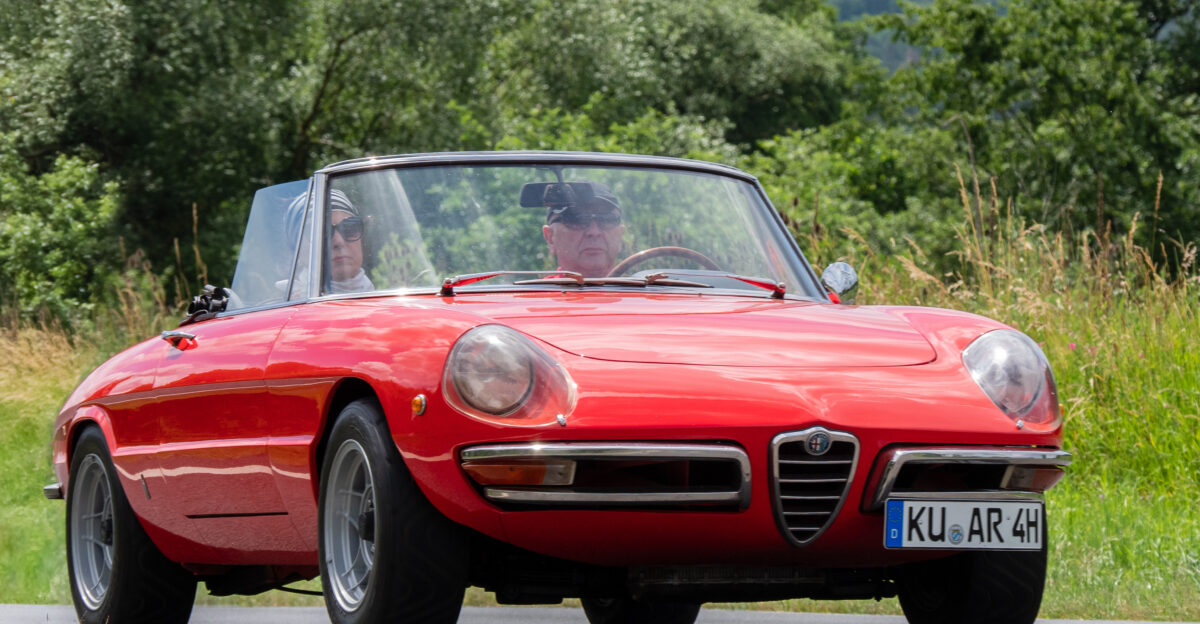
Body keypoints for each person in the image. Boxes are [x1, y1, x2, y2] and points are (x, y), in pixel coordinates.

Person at [541, 182, 624, 278]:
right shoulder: (536, 292)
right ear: (551, 238)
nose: (594, 232)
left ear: (620, 236)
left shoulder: (640, 289)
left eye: (607, 219)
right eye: (577, 220)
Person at [326, 188, 375, 293]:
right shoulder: (285, 299)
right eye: (324, 233)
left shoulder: (390, 294)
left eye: (349, 228)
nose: (339, 241)